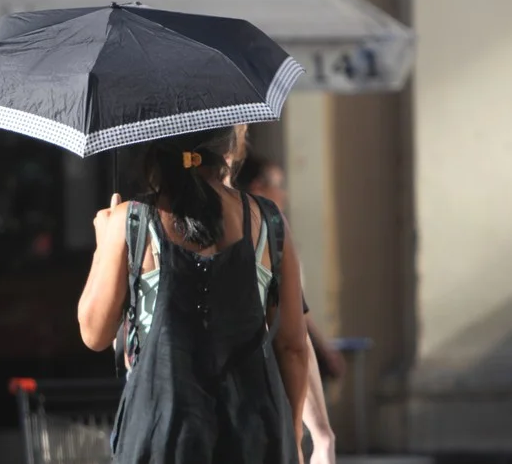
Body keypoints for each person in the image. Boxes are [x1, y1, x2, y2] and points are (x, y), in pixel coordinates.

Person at [78, 125, 308, 463]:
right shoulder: (269, 220)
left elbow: (94, 334)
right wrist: (294, 436)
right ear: (228, 147)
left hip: (161, 431)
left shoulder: (131, 220)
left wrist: (104, 243)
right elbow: (292, 347)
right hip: (255, 432)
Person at [238, 154, 345, 464]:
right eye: (278, 186)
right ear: (258, 187)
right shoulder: (269, 228)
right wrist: (314, 434)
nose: (284, 194)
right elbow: (295, 334)